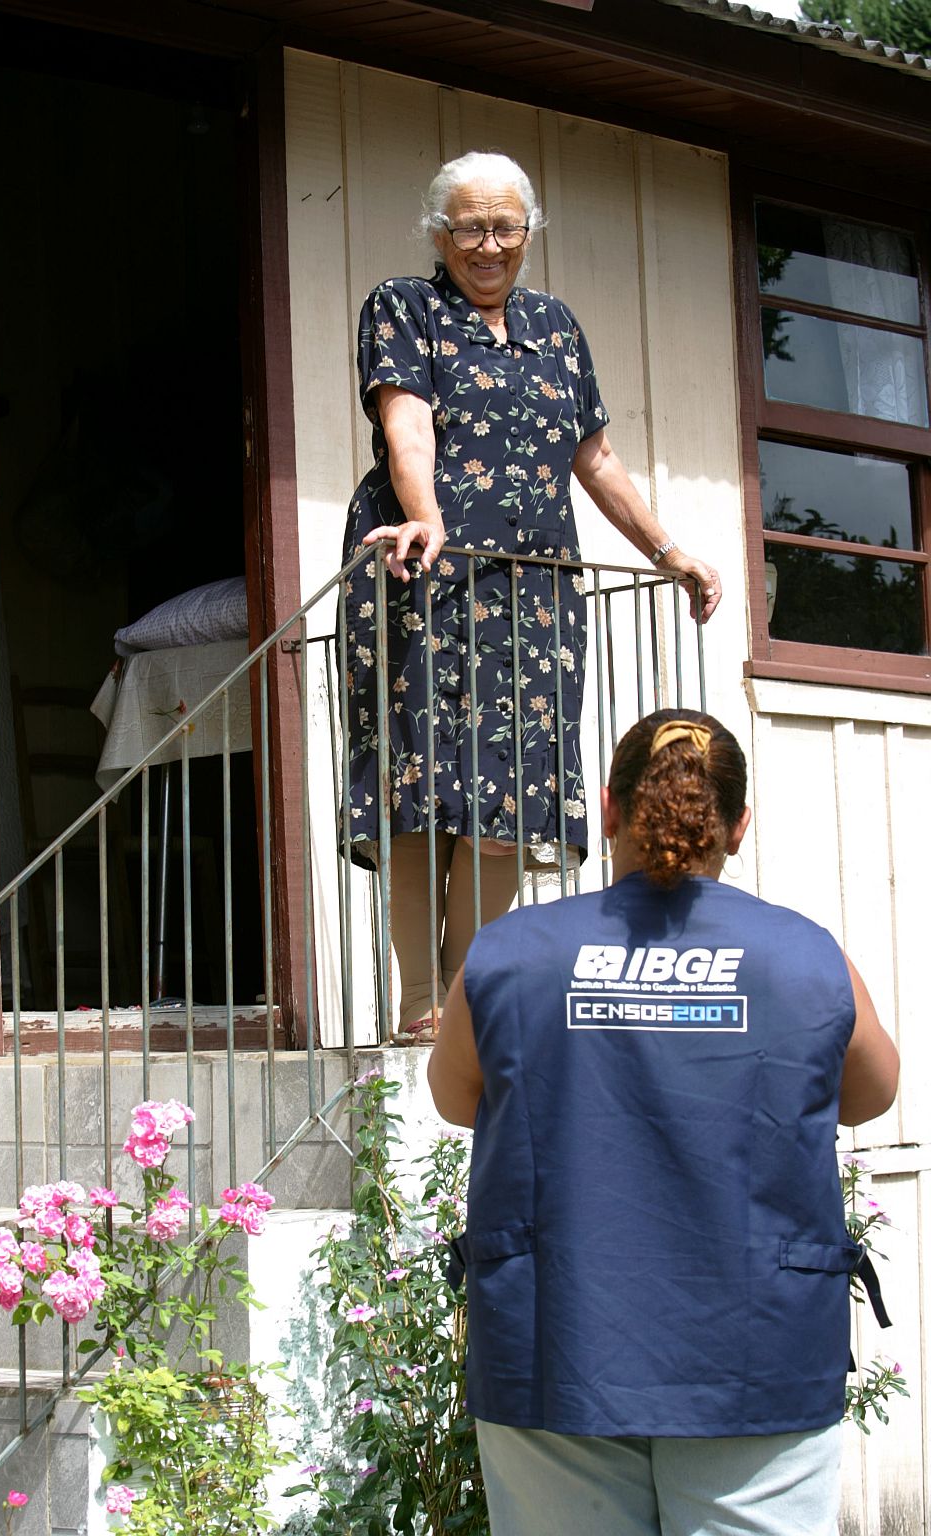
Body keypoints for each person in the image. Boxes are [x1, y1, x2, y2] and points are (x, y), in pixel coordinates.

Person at [428, 708, 899, 1536]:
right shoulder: (806, 957)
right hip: (756, 1362)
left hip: (556, 1353)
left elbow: (454, 1096)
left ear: (607, 808)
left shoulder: (507, 955)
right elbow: (871, 1093)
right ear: (739, 825)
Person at [340, 151, 722, 1043]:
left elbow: (593, 458)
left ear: (528, 233)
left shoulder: (556, 325)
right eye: (470, 226)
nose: (488, 244)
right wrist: (426, 518)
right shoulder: (406, 307)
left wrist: (671, 553)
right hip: (423, 574)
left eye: (505, 226)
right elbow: (408, 425)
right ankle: (415, 998)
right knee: (420, 787)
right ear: (440, 233)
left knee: (510, 796)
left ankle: (465, 989)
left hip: (536, 591)